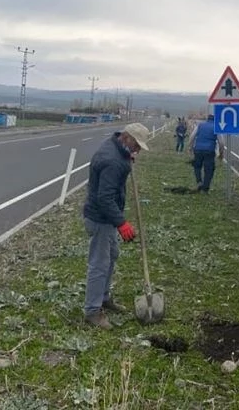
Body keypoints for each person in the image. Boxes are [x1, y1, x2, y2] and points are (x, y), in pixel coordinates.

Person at [82, 122, 150, 329]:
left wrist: (127, 158)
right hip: (101, 218)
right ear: (126, 137)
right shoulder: (112, 160)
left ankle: (103, 298)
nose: (138, 149)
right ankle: (92, 311)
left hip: (106, 217)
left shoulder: (116, 148)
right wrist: (121, 223)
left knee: (112, 255)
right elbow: (105, 198)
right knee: (99, 264)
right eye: (136, 145)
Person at [189, 114, 224, 193]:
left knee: (197, 166)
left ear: (207, 119)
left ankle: (199, 182)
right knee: (209, 169)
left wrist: (190, 148)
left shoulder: (200, 125)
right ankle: (205, 188)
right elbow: (221, 142)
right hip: (209, 151)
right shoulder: (216, 127)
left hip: (198, 149)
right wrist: (221, 154)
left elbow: (192, 136)